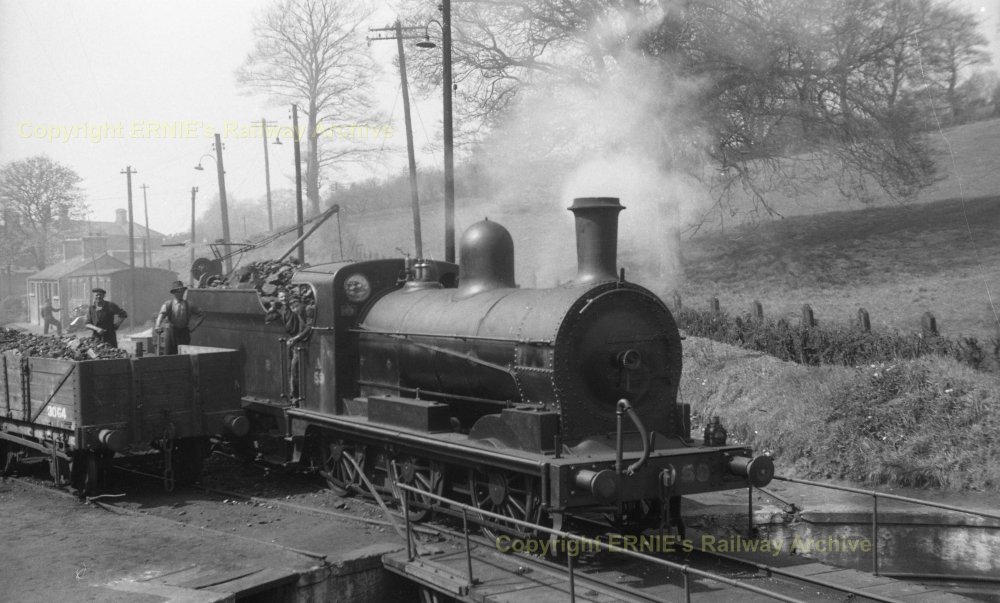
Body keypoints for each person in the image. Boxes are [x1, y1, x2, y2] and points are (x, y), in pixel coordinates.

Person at [265, 290, 311, 399]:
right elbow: (268, 318)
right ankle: (293, 395)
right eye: (281, 297)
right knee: (291, 369)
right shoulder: (283, 310)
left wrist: (296, 338)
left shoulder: (305, 312)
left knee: (295, 370)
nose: (294, 308)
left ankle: (295, 396)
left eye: (296, 305)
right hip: (293, 343)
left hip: (299, 343)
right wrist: (272, 309)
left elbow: (307, 327)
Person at [155, 280, 207, 355]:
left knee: (184, 355)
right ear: (174, 293)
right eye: (178, 291)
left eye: (182, 291)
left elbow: (202, 314)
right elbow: (161, 316)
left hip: (184, 333)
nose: (180, 293)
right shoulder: (168, 304)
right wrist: (157, 326)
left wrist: (193, 326)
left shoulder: (189, 304)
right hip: (171, 332)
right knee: (168, 355)